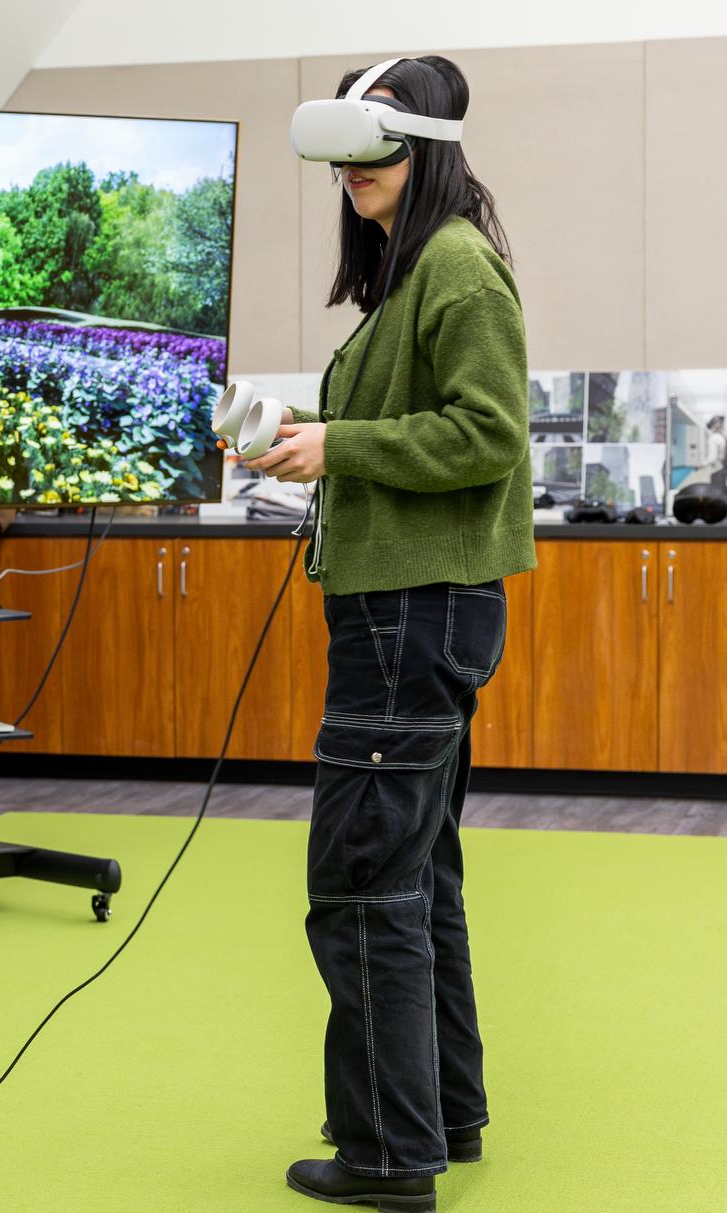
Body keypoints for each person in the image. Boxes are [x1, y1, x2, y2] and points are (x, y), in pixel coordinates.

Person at [244, 55, 534, 1210]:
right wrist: (307, 434)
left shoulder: (457, 272)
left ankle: (384, 1156)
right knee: (416, 878)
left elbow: (485, 436)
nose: (356, 180)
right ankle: (441, 1119)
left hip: (412, 616)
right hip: (411, 609)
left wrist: (343, 449)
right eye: (347, 163)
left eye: (378, 158)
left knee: (361, 884)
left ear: (426, 153)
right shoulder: (417, 273)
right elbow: (406, 423)